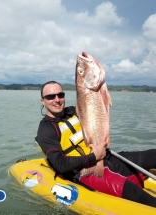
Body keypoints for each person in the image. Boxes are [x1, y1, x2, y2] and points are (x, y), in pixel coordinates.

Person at [35, 80, 156, 208]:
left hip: (107, 158)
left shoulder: (75, 111)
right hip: (85, 172)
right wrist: (94, 157)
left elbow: (95, 104)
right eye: (50, 97)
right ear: (42, 100)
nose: (57, 99)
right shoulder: (45, 129)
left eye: (60, 95)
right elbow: (61, 165)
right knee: (135, 193)